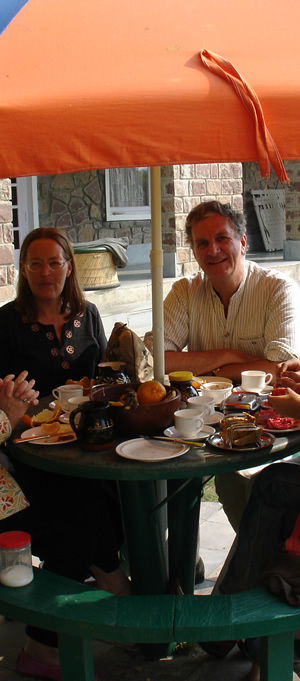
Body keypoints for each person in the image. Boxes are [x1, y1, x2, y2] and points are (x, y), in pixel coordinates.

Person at [0, 228, 129, 681]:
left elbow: (98, 384)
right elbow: (5, 403)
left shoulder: (88, 315)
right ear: (24, 270)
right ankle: (112, 591)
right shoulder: (7, 322)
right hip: (29, 454)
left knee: (112, 494)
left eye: (54, 262)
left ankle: (108, 585)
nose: (45, 272)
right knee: (79, 509)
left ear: (69, 266)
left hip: (83, 442)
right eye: (35, 263)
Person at [161, 200, 300, 537]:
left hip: (268, 421)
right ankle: (176, 562)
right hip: (200, 417)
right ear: (193, 250)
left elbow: (281, 365)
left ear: (242, 241)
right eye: (202, 243)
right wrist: (224, 355)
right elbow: (155, 357)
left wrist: (202, 364)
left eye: (222, 238)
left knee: (235, 482)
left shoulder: (276, 288)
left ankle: (262, 567)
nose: (213, 250)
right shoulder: (185, 291)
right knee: (158, 472)